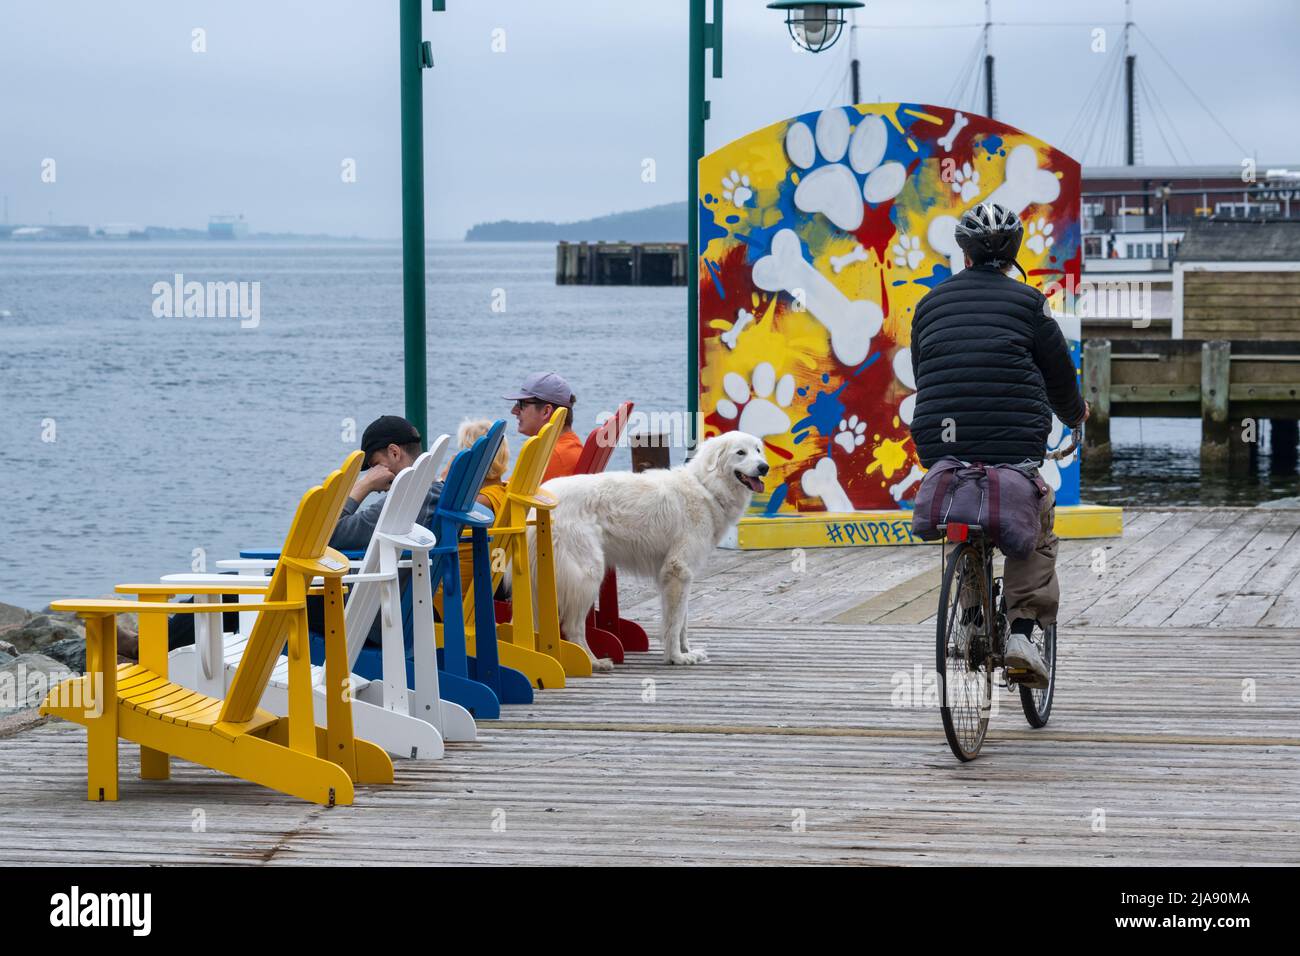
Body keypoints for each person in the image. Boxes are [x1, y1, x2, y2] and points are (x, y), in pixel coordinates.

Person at [909, 202, 1089, 686]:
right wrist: (1076, 415)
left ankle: (969, 624)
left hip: (940, 441)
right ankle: (1023, 634)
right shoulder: (1030, 305)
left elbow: (925, 374)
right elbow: (1058, 378)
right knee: (1036, 524)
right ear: (1013, 254)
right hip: (1013, 446)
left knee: (963, 517)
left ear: (964, 253)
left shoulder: (928, 306)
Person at [158, 415, 441, 655]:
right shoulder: (429, 491)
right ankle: (157, 643)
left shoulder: (407, 500)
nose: (377, 478)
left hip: (364, 613)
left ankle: (152, 650)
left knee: (230, 594)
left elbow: (327, 535)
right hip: (381, 605)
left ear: (394, 452)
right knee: (236, 588)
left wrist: (362, 487)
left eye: (376, 465)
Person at [503, 371, 583, 481]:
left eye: (522, 404)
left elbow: (506, 496)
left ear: (546, 411)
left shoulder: (551, 457)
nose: (514, 411)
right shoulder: (569, 448)